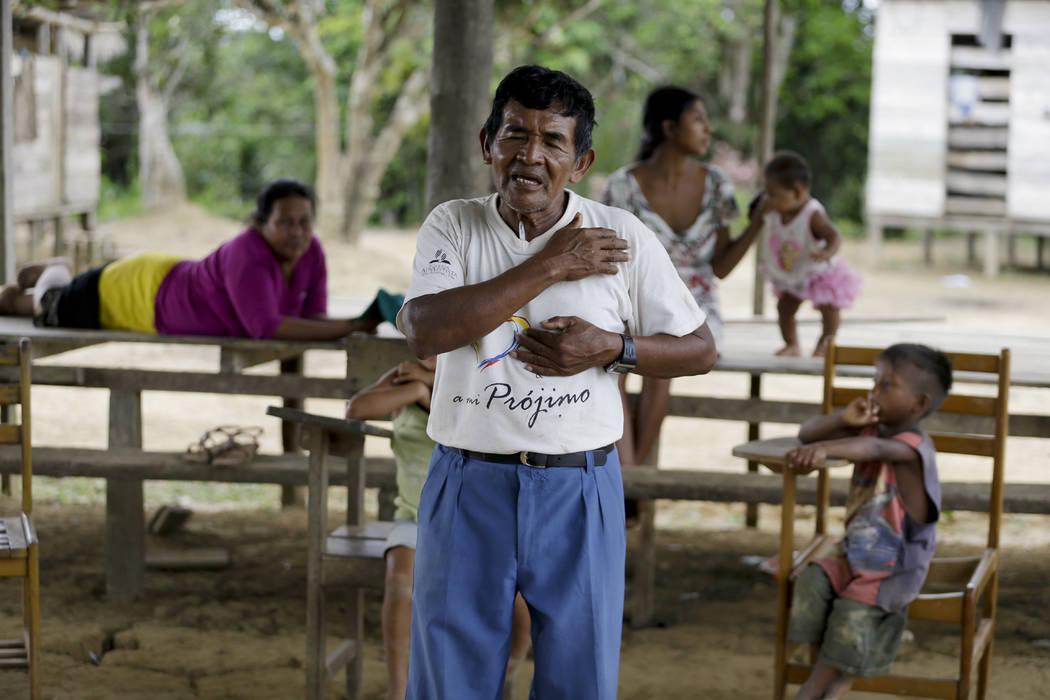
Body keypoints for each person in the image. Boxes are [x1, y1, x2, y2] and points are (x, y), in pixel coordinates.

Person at [397, 65, 716, 699]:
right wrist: (551, 265)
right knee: (449, 678)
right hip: (467, 481)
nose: (530, 156)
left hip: (580, 486)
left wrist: (614, 348)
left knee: (579, 678)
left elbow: (700, 348)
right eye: (515, 134)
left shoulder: (621, 236)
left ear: (582, 160)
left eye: (552, 142)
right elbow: (425, 330)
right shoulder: (453, 226)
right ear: (486, 142)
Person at [601, 85, 764, 506]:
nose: (709, 130)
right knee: (615, 362)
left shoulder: (717, 184)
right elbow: (610, 261)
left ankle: (627, 483)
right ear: (669, 128)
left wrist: (758, 222)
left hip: (696, 304)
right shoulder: (623, 186)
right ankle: (633, 484)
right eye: (699, 120)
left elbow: (722, 266)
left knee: (664, 362)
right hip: (631, 295)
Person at [344, 356, 532, 700]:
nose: (430, 353)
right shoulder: (404, 377)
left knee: (519, 590)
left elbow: (484, 429)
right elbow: (356, 409)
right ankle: (398, 689)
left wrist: (431, 391)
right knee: (401, 581)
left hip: (477, 519)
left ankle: (509, 666)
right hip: (416, 517)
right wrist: (414, 387)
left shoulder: (482, 377)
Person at [0, 179, 393, 340]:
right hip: (136, 293)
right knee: (32, 305)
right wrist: (353, 326)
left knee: (39, 302)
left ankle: (64, 272)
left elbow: (314, 318)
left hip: (165, 276)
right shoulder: (247, 251)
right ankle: (56, 270)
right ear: (260, 222)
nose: (297, 232)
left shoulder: (313, 252)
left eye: (305, 222)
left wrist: (353, 324)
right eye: (285, 222)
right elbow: (266, 328)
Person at [784, 343, 952, 700]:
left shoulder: (914, 447)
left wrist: (827, 450)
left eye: (886, 385)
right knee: (813, 579)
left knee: (852, 611)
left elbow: (874, 451)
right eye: (874, 381)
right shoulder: (871, 430)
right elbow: (807, 433)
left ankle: (817, 687)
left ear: (919, 403)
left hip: (894, 565)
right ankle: (834, 671)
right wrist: (844, 420)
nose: (874, 391)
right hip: (855, 552)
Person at [756, 151, 861, 357]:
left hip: (817, 271)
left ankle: (825, 342)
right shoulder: (776, 213)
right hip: (794, 272)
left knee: (829, 309)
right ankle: (792, 344)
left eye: (773, 194)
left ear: (796, 191)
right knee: (784, 308)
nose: (768, 199)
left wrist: (827, 252)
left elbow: (834, 235)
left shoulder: (812, 214)